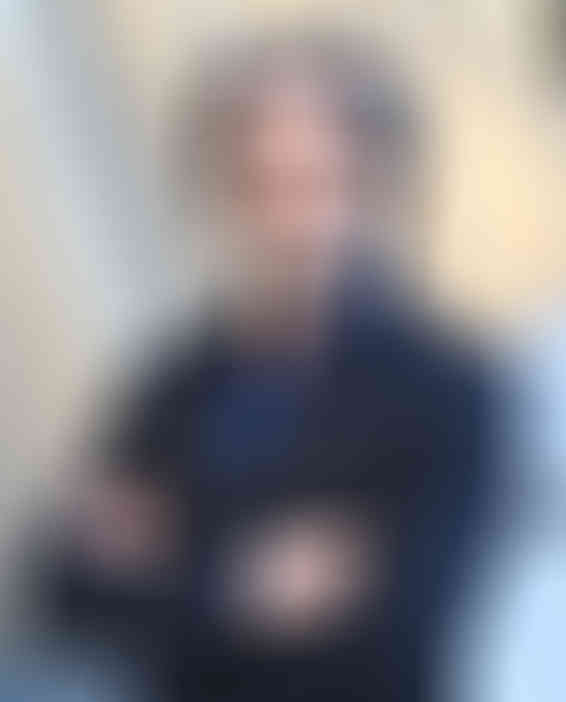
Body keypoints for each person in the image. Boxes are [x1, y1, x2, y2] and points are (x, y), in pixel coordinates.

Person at [50, 30, 496, 702]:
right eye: (259, 185)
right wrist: (244, 586)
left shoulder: (441, 391)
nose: (289, 220)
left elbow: (402, 635)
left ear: (369, 185)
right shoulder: (178, 386)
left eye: (314, 182)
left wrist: (173, 557)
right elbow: (66, 588)